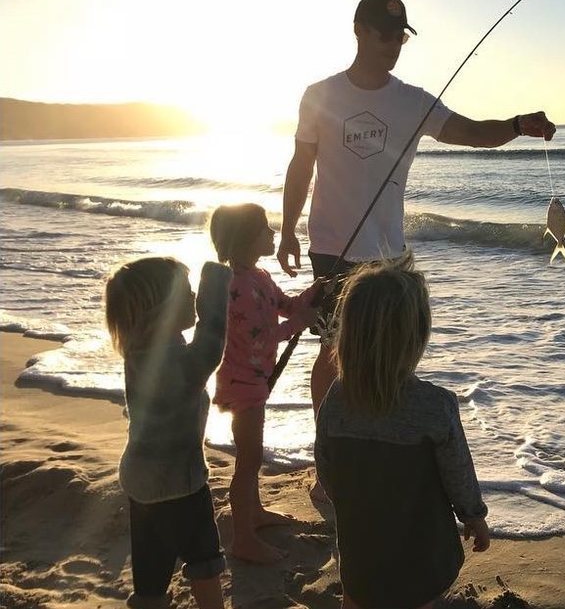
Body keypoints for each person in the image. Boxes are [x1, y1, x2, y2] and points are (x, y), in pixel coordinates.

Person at [277, 0, 558, 439]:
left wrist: (517, 125)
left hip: (389, 252)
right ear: (359, 31)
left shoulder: (413, 101)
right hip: (333, 247)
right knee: (334, 350)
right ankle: (329, 451)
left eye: (400, 37)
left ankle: (374, 437)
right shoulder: (320, 96)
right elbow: (300, 164)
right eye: (385, 34)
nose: (393, 44)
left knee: (391, 350)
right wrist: (288, 229)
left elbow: (471, 133)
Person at [314, 252, 490, 609]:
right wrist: (473, 516)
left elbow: (326, 466)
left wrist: (359, 503)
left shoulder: (336, 397)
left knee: (357, 596)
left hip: (359, 543)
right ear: (417, 336)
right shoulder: (434, 406)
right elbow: (458, 475)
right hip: (420, 551)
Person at [104, 256, 232, 609]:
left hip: (140, 478)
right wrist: (217, 279)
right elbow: (211, 344)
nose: (194, 299)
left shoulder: (139, 352)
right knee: (204, 558)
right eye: (188, 293)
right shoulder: (173, 361)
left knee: (151, 563)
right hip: (179, 481)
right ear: (162, 308)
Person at [208, 203, 324, 563]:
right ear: (246, 237)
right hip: (241, 381)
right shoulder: (239, 286)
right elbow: (261, 337)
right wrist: (301, 322)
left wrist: (311, 295)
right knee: (248, 458)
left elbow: (286, 306)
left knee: (251, 456)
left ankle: (254, 513)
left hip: (254, 378)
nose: (273, 233)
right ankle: (243, 539)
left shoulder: (258, 276)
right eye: (265, 229)